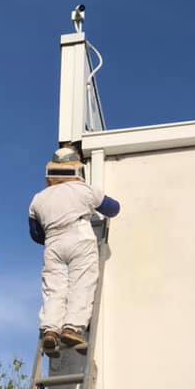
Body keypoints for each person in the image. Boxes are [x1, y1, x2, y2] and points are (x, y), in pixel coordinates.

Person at [28, 147, 120, 356]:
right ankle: (72, 328)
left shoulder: (38, 199)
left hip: (52, 243)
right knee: (82, 283)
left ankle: (51, 330)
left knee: (54, 289)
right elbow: (113, 209)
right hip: (79, 236)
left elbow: (35, 234)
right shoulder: (84, 190)